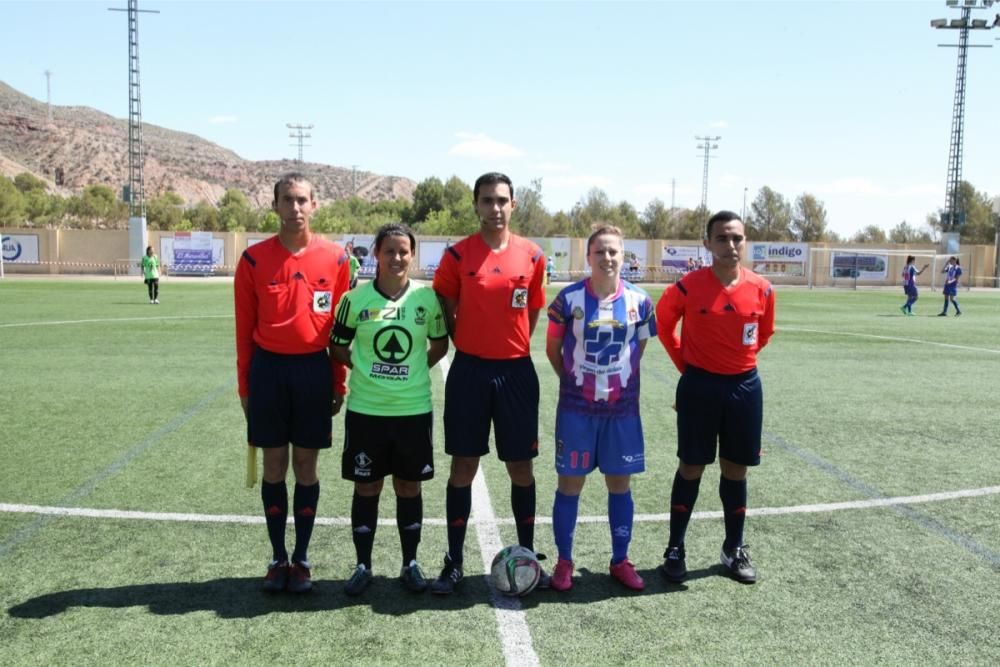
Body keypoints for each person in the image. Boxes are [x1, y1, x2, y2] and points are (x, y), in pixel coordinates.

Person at [430, 172, 548, 594]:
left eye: (502, 200)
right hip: (470, 372)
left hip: (516, 371)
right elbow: (444, 299)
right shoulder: (458, 256)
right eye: (486, 200)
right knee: (464, 466)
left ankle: (530, 556)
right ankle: (455, 560)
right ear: (476, 205)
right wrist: (465, 333)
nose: (494, 208)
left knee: (521, 467)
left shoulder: (533, 256)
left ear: (513, 204)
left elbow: (532, 311)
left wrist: (509, 343)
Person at [234, 173, 350, 594]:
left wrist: (339, 380)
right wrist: (244, 386)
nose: (295, 207)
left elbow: (339, 330)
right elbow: (243, 328)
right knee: (274, 466)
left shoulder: (336, 259)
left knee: (306, 466)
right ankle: (276, 556)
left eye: (302, 200)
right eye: (287, 199)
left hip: (313, 372)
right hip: (268, 371)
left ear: (314, 205)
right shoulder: (253, 260)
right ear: (275, 205)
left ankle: (301, 558)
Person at [655, 210, 775, 585]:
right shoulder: (689, 286)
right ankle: (675, 548)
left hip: (743, 388)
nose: (731, 245)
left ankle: (733, 548)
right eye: (722, 238)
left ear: (745, 242)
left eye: (737, 238)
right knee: (691, 466)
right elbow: (663, 323)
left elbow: (764, 333)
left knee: (735, 468)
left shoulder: (762, 288)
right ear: (707, 244)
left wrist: (740, 362)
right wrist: (687, 366)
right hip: (699, 386)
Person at [330, 223, 449, 596]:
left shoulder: (426, 300)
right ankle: (363, 565)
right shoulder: (355, 300)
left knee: (408, 486)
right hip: (367, 410)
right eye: (389, 251)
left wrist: (412, 371)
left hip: (413, 410)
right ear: (376, 255)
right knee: (367, 486)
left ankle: (409, 564)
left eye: (404, 251)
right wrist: (366, 370)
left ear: (412, 255)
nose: (397, 258)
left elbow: (440, 344)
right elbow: (337, 347)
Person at [545, 225, 656, 592]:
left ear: (623, 257)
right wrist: (577, 382)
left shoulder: (641, 301)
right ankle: (564, 561)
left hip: (621, 412)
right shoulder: (568, 299)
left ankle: (620, 560)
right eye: (600, 252)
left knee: (619, 484)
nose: (607, 258)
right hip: (577, 411)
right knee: (570, 484)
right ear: (588, 257)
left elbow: (639, 349)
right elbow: (553, 349)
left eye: (614, 252)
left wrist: (614, 381)